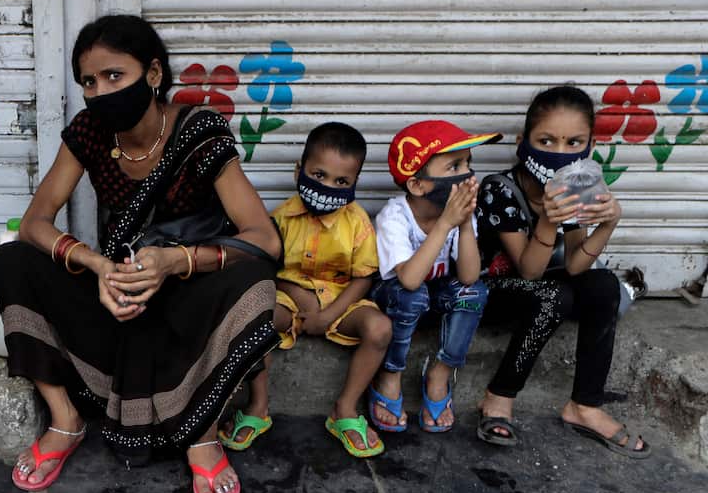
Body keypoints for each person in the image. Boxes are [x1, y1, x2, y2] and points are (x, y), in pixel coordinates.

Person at [0, 14, 281, 493]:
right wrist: (97, 266)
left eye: (113, 76)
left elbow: (265, 241)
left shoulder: (199, 130)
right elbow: (37, 220)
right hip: (120, 289)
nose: (100, 91)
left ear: (152, 74)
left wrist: (176, 262)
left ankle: (202, 432)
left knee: (255, 279)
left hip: (188, 293)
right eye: (89, 81)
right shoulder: (89, 133)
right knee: (12, 258)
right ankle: (65, 419)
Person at [474, 85, 650, 458]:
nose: (559, 152)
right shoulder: (499, 189)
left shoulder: (573, 187)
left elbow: (574, 264)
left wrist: (607, 224)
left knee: (603, 284)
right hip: (490, 292)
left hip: (542, 291)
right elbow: (529, 271)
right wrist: (548, 220)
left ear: (588, 146)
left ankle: (584, 406)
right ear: (524, 142)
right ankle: (499, 394)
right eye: (546, 140)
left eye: (574, 143)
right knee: (555, 293)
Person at [224, 122, 392, 458]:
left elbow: (363, 277)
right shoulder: (281, 219)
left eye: (341, 181)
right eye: (318, 175)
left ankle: (344, 409)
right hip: (289, 298)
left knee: (380, 328)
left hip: (340, 302)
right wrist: (301, 299)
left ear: (355, 183)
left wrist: (328, 313)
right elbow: (264, 269)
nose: (328, 186)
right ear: (299, 170)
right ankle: (258, 407)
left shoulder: (357, 223)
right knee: (258, 317)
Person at [367, 120, 495, 434]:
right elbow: (409, 280)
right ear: (417, 185)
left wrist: (463, 224)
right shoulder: (394, 216)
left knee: (474, 292)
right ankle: (390, 373)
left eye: (468, 164)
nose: (467, 175)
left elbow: (467, 277)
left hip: (434, 293)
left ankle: (440, 372)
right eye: (454, 166)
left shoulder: (458, 215)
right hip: (397, 298)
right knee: (413, 293)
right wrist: (444, 225)